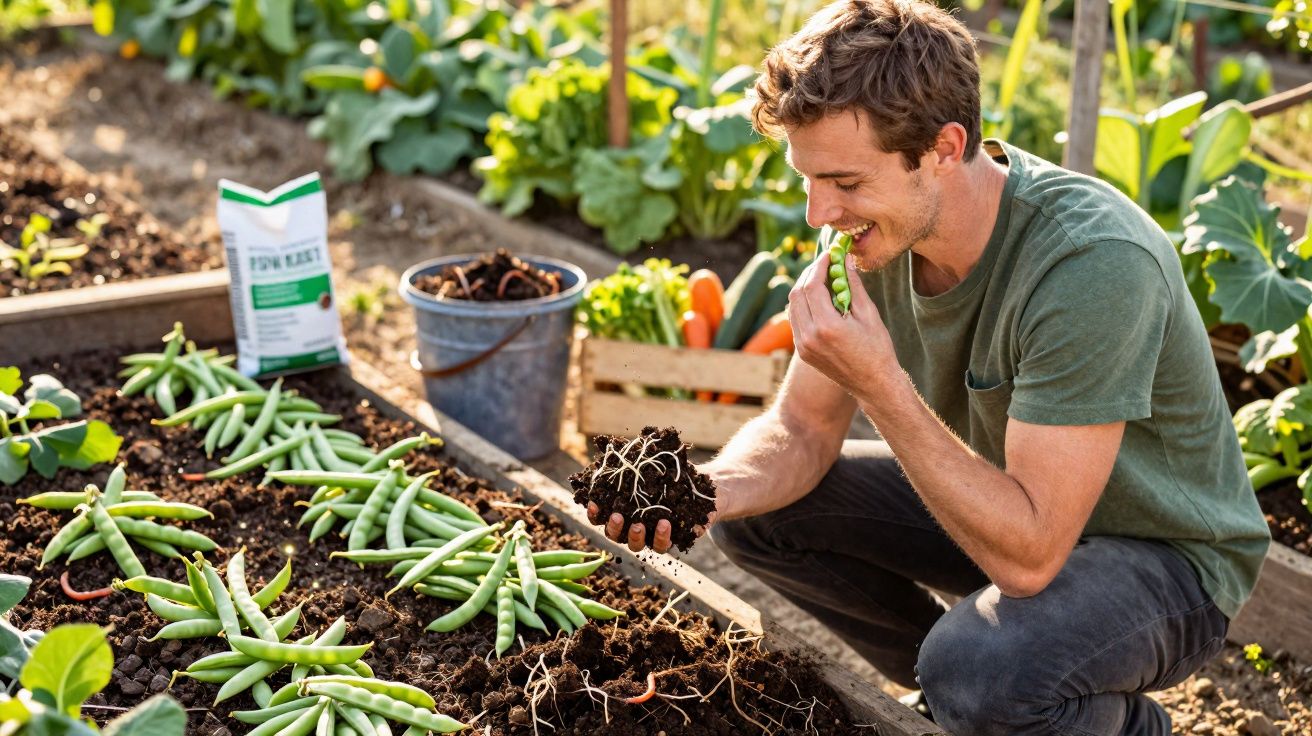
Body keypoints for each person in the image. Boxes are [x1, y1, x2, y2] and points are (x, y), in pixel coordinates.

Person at [586, 0, 1273, 733]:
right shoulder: (874, 237)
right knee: (762, 516)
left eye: (846, 183)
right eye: (807, 180)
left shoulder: (1090, 263)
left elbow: (1032, 559)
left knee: (980, 670)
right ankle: (981, 690)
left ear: (944, 148)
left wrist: (879, 381)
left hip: (1164, 560)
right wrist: (703, 492)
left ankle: (1048, 702)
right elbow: (800, 428)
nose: (819, 214)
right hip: (1013, 509)